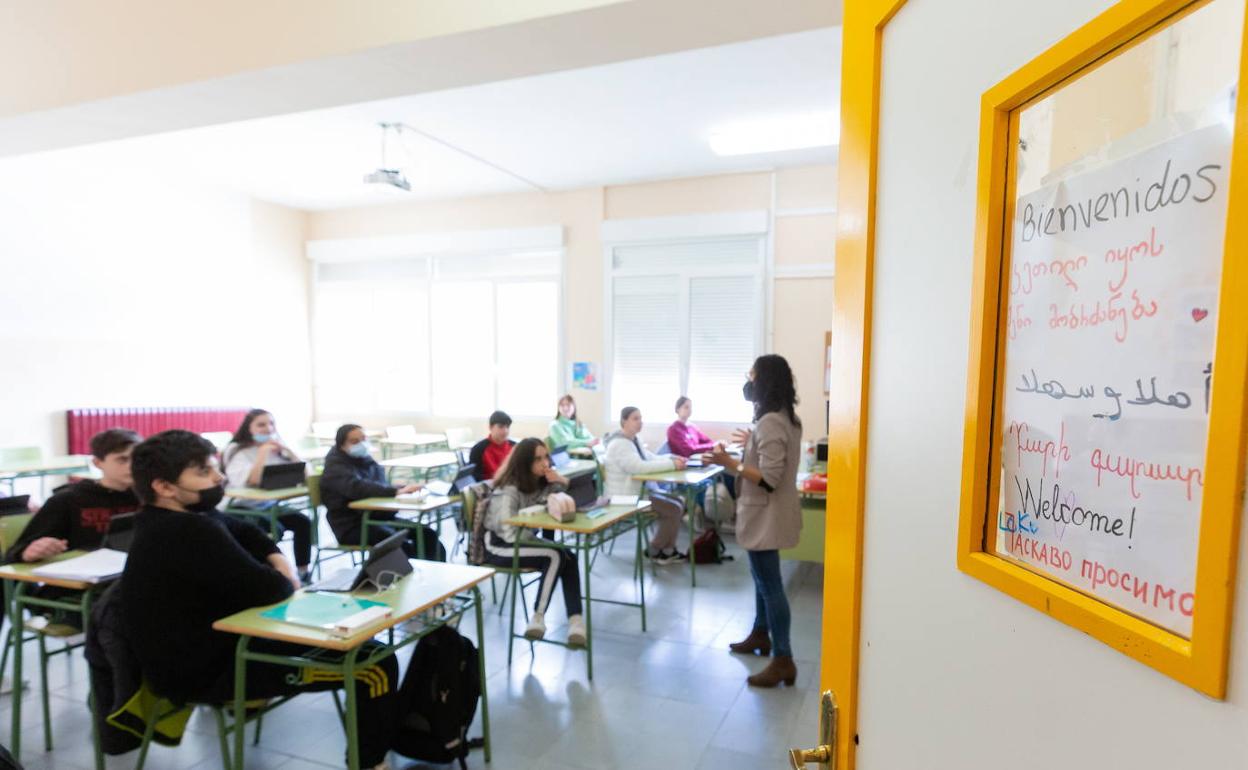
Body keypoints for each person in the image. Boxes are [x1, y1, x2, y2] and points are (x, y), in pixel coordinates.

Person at [121, 430, 398, 770]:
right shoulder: (185, 530)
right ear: (164, 487)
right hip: (207, 669)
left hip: (221, 646)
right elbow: (273, 590)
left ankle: (378, 737)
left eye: (214, 468)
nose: (219, 477)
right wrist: (281, 573)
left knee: (361, 646)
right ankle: (369, 763)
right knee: (372, 663)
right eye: (204, 473)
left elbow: (246, 530)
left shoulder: (181, 517)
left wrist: (277, 558)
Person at [707, 354, 803, 688]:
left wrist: (728, 463)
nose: (748, 383)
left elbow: (770, 478)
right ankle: (761, 635)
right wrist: (751, 445)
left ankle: (783, 658)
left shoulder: (772, 422)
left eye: (752, 376)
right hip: (768, 514)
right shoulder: (784, 419)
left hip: (766, 514)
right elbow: (771, 457)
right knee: (762, 580)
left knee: (770, 586)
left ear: (765, 381)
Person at [481, 438, 586, 645]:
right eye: (538, 459)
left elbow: (561, 500)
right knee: (555, 554)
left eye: (546, 457)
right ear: (524, 463)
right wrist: (538, 536)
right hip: (499, 546)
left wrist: (561, 481)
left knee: (568, 556)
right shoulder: (509, 489)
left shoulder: (540, 482)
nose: (545, 463)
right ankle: (538, 617)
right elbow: (508, 532)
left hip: (522, 540)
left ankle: (576, 620)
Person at [5, 428, 141, 564]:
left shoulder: (148, 497)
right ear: (97, 463)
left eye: (137, 458)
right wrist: (28, 552)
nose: (132, 466)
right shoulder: (67, 500)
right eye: (122, 460)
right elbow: (15, 553)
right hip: (84, 575)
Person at [321, 424, 446, 561]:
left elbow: (379, 485)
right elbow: (359, 488)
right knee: (398, 544)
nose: (361, 444)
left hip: (378, 518)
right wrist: (396, 491)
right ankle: (413, 578)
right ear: (341, 445)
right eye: (355, 441)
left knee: (427, 534)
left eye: (363, 439)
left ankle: (433, 574)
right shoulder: (335, 466)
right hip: (351, 526)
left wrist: (402, 488)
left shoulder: (365, 459)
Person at [221, 409, 314, 582]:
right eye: (261, 424)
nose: (268, 428)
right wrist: (262, 453)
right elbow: (254, 480)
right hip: (240, 507)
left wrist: (287, 450)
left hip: (268, 505)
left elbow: (307, 474)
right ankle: (272, 573)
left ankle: (303, 572)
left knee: (303, 521)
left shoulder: (276, 447)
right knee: (274, 528)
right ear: (248, 428)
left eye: (271, 424)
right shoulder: (236, 450)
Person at [603, 406, 688, 564]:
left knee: (680, 502)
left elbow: (651, 458)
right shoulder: (619, 444)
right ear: (624, 421)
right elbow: (639, 467)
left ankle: (668, 550)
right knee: (674, 508)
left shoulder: (633, 440)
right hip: (625, 498)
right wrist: (673, 465)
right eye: (635, 418)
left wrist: (673, 459)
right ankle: (655, 550)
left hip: (638, 492)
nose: (640, 422)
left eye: (640, 418)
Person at [668, 396, 736, 500]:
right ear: (677, 409)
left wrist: (718, 444)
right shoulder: (673, 429)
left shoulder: (692, 427)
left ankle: (731, 510)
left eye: (690, 407)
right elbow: (688, 450)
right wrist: (712, 446)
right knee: (720, 479)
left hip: (700, 464)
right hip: (686, 467)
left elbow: (708, 441)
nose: (689, 410)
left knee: (728, 476)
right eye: (686, 407)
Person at [468, 411, 515, 482]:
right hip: (489, 488)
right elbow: (475, 477)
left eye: (507, 427)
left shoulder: (514, 447)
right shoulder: (478, 449)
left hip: (512, 486)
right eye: (501, 427)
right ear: (490, 427)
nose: (505, 431)